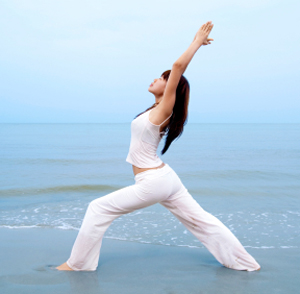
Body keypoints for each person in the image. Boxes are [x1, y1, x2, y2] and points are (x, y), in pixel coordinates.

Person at [57, 21, 261, 271]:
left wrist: (196, 42)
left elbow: (177, 67)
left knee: (97, 208)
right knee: (202, 222)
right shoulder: (154, 110)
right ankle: (245, 263)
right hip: (165, 178)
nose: (157, 78)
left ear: (171, 88)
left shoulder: (165, 108)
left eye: (163, 78)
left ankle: (76, 265)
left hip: (153, 181)